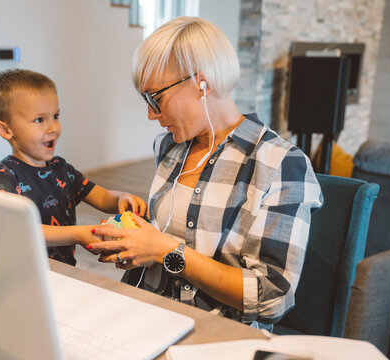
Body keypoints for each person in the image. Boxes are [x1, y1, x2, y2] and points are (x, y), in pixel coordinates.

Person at [87, 17, 323, 329]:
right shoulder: (170, 147)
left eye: (155, 98)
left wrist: (163, 250)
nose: (150, 114)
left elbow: (272, 298)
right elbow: (166, 239)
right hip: (146, 313)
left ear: (202, 83)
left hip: (215, 331)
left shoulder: (280, 164)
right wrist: (136, 242)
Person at [0, 69, 147, 266]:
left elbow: (102, 197)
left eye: (55, 116)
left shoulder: (62, 170)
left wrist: (121, 198)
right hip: (24, 274)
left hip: (65, 270)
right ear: (5, 129)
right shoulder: (4, 175)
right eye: (39, 120)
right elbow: (14, 229)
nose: (53, 127)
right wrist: (78, 234)